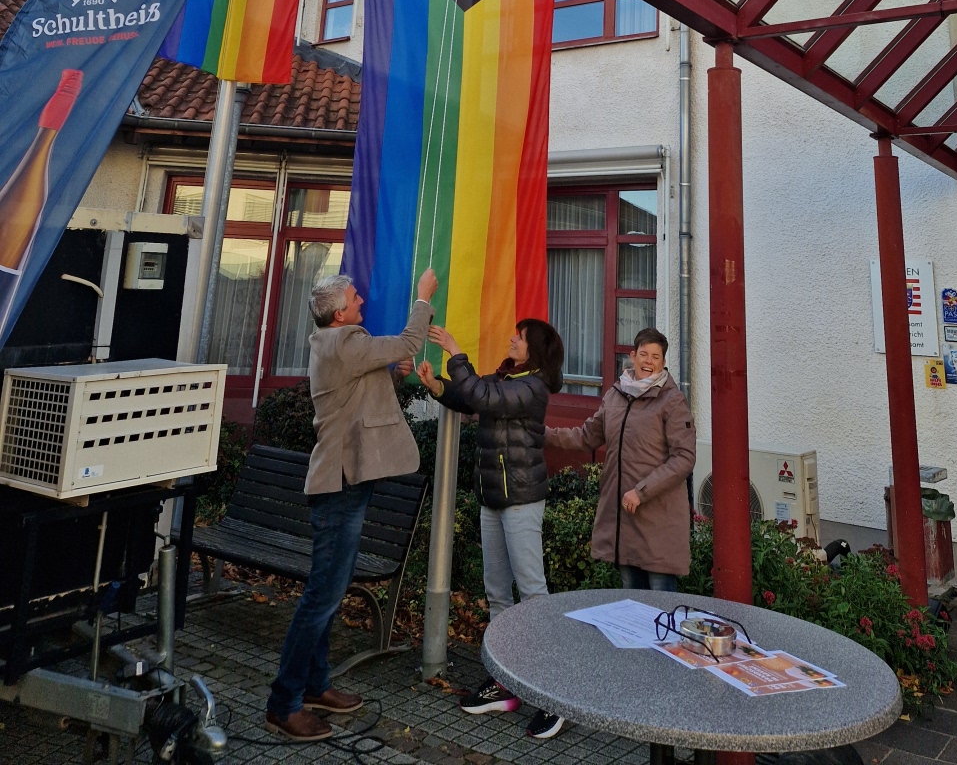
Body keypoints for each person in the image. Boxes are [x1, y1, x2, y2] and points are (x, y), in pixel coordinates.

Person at [266, 268, 438, 741]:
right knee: (321, 597)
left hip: (342, 481)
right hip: (339, 484)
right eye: (355, 297)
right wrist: (423, 298)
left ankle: (317, 686)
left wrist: (394, 377)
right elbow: (407, 342)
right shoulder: (345, 341)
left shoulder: (335, 344)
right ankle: (284, 703)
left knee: (328, 593)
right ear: (340, 313)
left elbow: (366, 399)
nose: (362, 299)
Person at [418, 318, 566, 741]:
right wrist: (438, 387)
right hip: (492, 498)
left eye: (518, 337)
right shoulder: (507, 375)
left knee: (532, 595)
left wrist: (454, 350)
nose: (511, 340)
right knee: (498, 594)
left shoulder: (534, 385)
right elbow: (471, 398)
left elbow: (484, 396)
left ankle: (552, 698)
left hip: (521, 499)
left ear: (533, 348)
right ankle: (506, 682)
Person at [545, 327, 696, 591]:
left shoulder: (672, 401)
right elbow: (585, 437)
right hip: (625, 522)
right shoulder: (615, 395)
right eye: (644, 354)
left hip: (658, 521)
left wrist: (641, 491)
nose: (648, 362)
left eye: (656, 357)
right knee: (631, 606)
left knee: (659, 608)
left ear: (663, 363)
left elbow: (684, 458)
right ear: (633, 356)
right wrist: (542, 434)